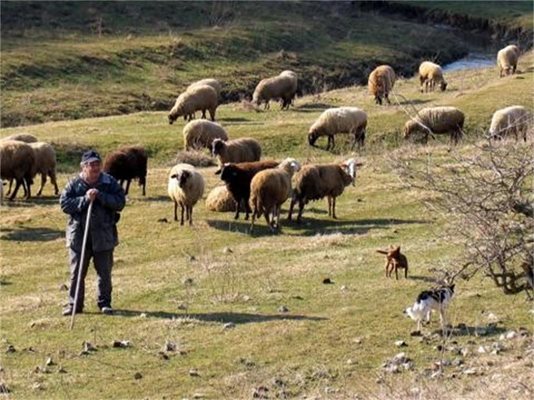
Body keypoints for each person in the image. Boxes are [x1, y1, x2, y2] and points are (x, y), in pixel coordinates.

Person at [60, 150, 125, 316]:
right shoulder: (74, 184)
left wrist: (101, 196)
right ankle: (75, 305)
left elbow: (120, 202)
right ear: (84, 167)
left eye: (97, 164)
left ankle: (105, 303)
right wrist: (85, 200)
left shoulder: (109, 182)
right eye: (91, 164)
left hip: (103, 235)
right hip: (79, 237)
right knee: (77, 273)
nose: (95, 167)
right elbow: (65, 204)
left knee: (104, 272)